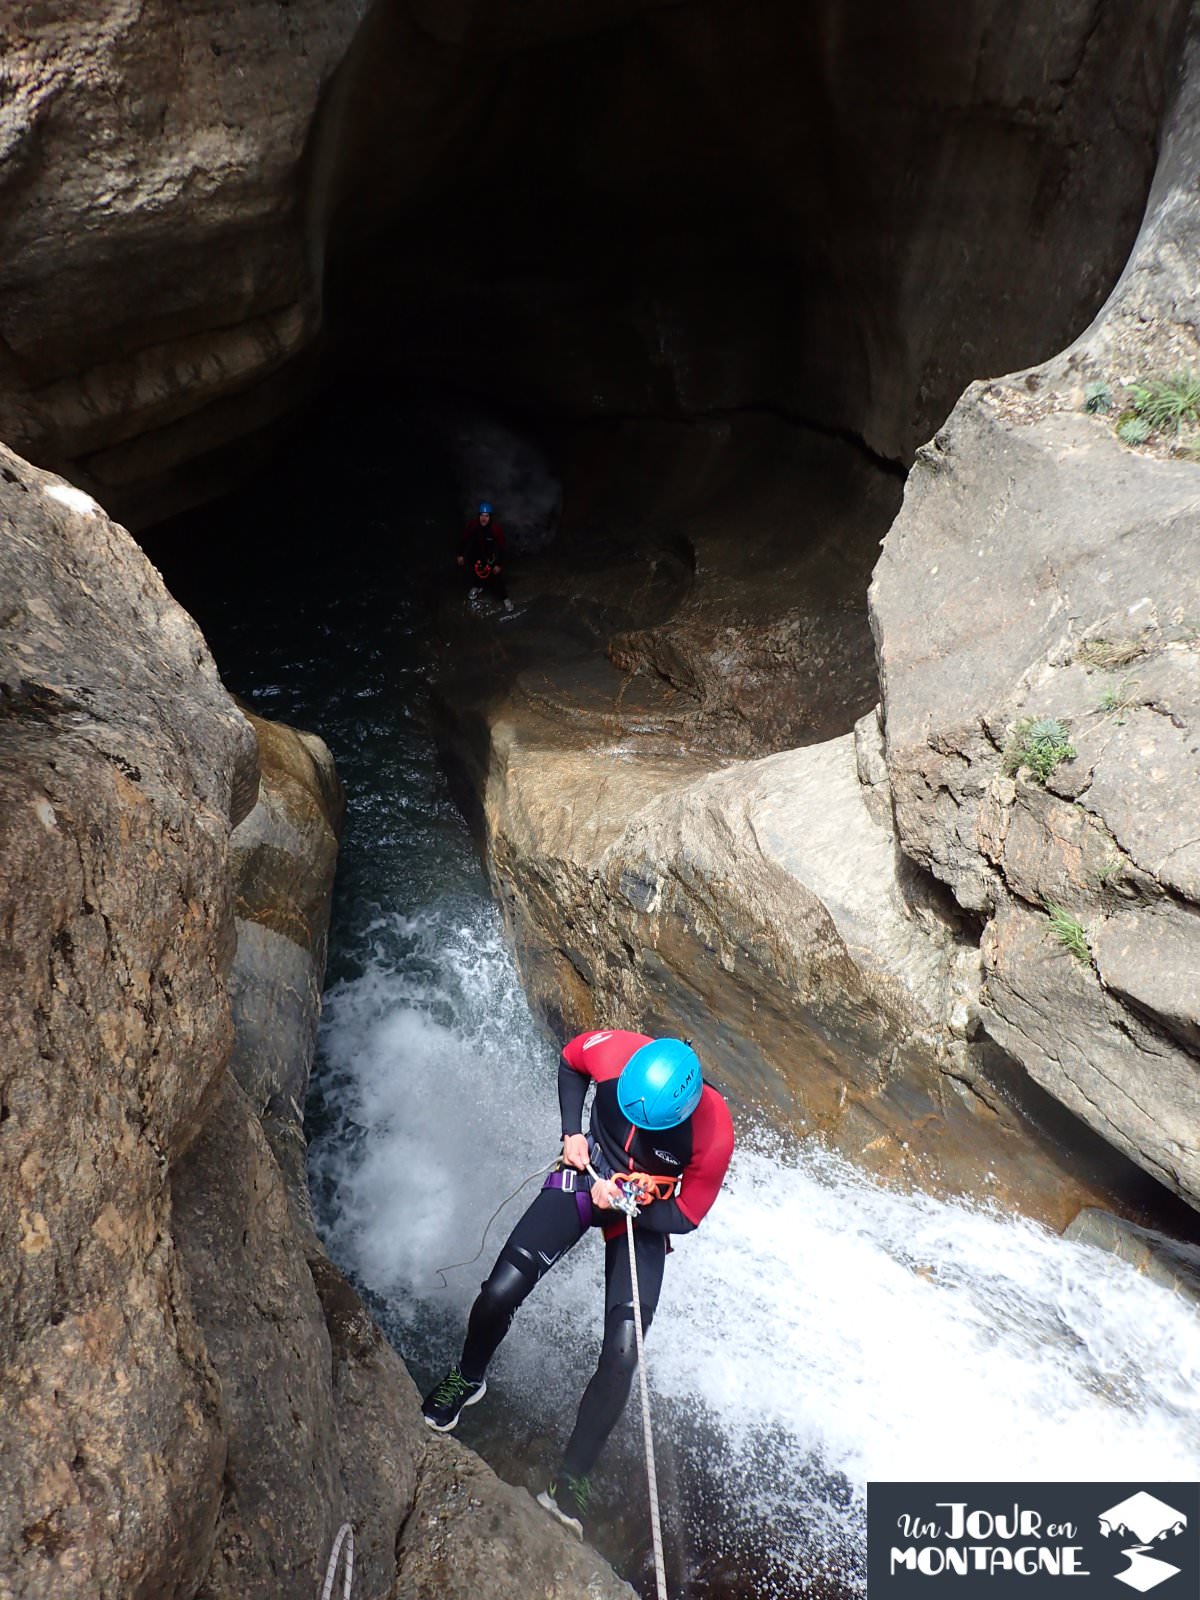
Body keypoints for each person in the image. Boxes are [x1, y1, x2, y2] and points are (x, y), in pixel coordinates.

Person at [420, 1029, 735, 1539]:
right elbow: (571, 1062)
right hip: (588, 1175)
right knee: (499, 1291)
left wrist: (642, 1200)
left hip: (639, 1213)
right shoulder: (616, 1055)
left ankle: (573, 1480)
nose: (632, 1123)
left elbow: (689, 1214)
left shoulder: (713, 1129)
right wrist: (572, 1133)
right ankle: (468, 1378)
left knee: (623, 1356)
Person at [457, 500, 512, 611]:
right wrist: (460, 554)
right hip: (476, 554)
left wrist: (499, 564)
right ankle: (477, 587)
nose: (484, 518)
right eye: (482, 515)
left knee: (497, 579)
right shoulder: (473, 525)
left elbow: (502, 547)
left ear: (490, 517)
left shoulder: (495, 529)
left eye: (486, 516)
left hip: (490, 557)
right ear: (479, 516)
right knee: (475, 572)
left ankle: (505, 598)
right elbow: (464, 539)